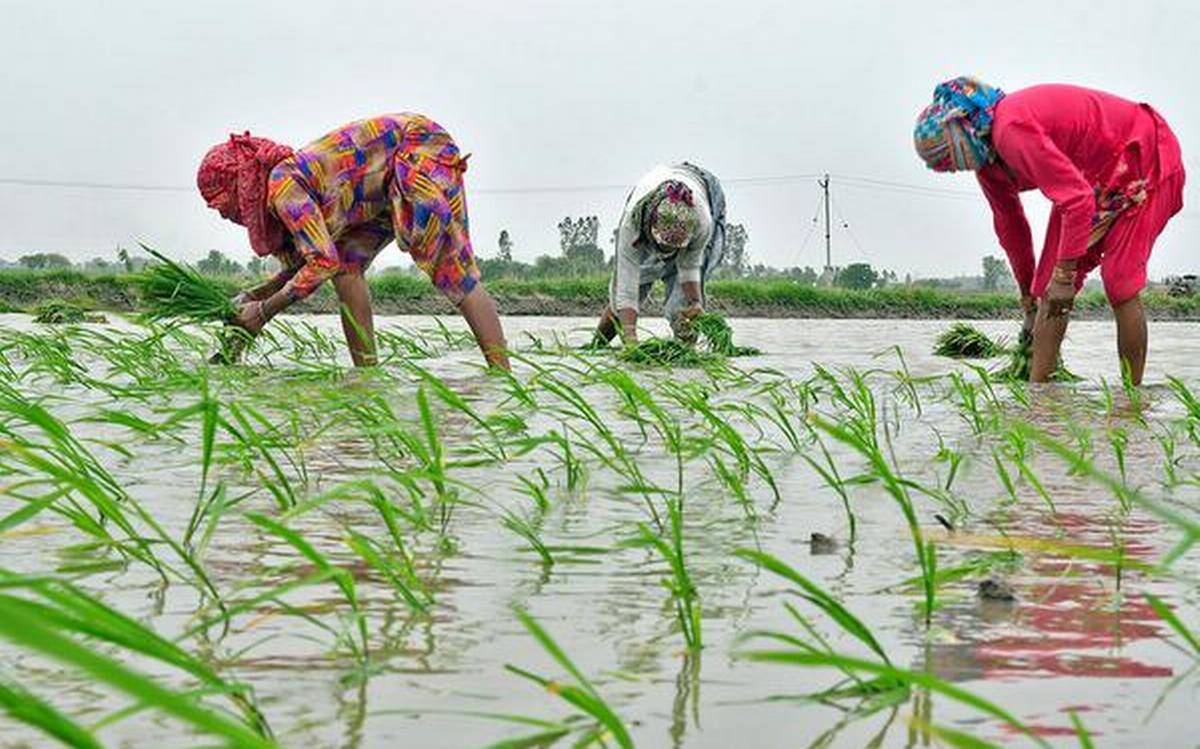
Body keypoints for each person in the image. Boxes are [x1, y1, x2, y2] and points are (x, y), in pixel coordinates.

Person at [914, 78, 1185, 384]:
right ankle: (1039, 397)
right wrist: (1028, 297)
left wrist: (1065, 275)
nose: (952, 170)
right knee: (1046, 289)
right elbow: (1012, 229)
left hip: (1143, 152)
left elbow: (1077, 201)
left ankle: (1131, 401)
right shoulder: (988, 167)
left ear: (959, 136)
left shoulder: (1010, 128)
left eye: (947, 162)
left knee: (1119, 280)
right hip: (1090, 178)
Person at [196, 113, 509, 369]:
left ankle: (502, 379)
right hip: (378, 187)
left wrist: (263, 312)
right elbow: (314, 261)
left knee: (449, 265)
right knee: (346, 266)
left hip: (418, 150)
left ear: (240, 182)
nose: (223, 214)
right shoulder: (283, 189)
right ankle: (367, 381)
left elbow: (320, 263)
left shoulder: (283, 186)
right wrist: (251, 297)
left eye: (221, 201)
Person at [592, 163, 727, 346]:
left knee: (682, 308)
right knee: (625, 295)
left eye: (674, 248)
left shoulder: (702, 223)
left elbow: (689, 267)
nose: (667, 255)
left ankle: (684, 362)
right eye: (663, 246)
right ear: (650, 229)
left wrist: (695, 302)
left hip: (706, 191)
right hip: (654, 192)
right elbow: (626, 290)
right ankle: (596, 347)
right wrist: (632, 345)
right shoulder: (632, 224)